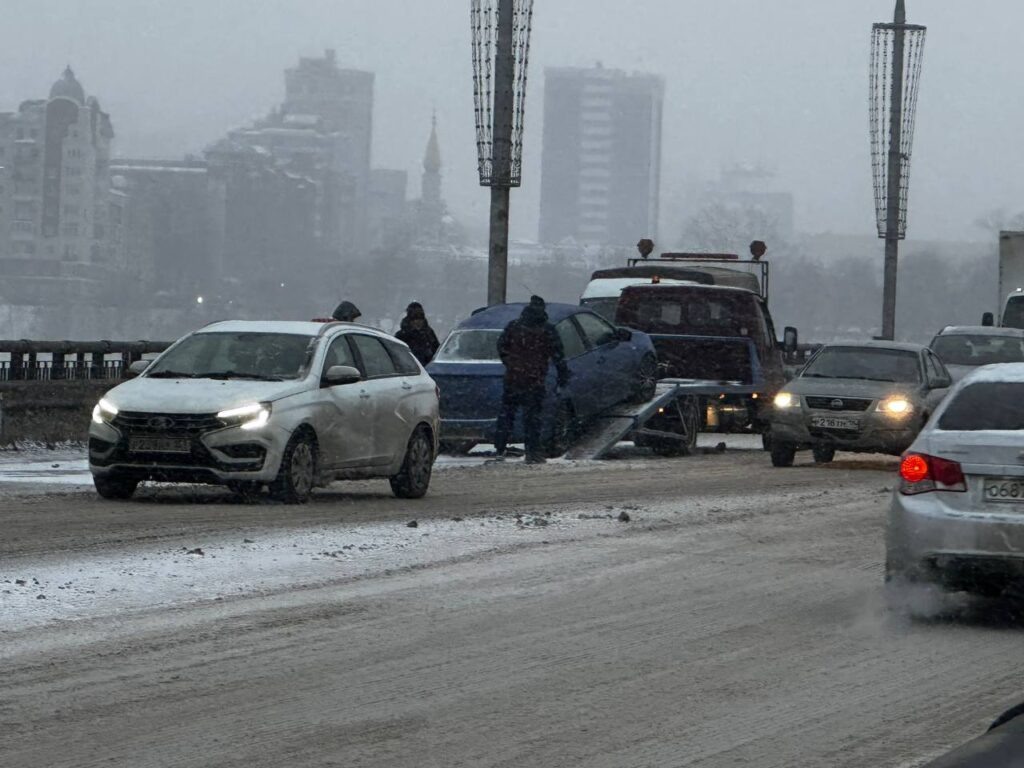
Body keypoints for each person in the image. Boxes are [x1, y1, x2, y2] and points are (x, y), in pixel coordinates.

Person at [493, 296, 571, 464]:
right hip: (534, 380)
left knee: (507, 415)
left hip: (513, 379)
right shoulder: (547, 329)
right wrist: (563, 376)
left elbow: (501, 347)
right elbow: (558, 356)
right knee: (532, 418)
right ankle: (532, 452)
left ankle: (499, 450)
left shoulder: (514, 326)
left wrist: (511, 363)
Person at [395, 302, 440, 366]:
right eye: (414, 319)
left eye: (420, 318)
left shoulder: (429, 333)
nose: (418, 322)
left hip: (428, 370)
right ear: (409, 320)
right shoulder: (401, 336)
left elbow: (437, 351)